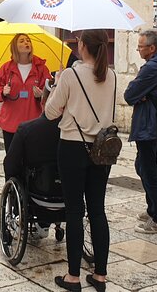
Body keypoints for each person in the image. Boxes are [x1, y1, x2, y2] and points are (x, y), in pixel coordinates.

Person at [45, 29, 115, 292]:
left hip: (73, 146)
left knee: (74, 210)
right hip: (102, 150)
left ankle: (73, 277)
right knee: (97, 210)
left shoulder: (71, 75)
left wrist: (58, 84)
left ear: (82, 46)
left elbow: (51, 113)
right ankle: (100, 276)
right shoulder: (113, 76)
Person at [124, 29, 157, 234]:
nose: (138, 49)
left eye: (140, 46)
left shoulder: (152, 68)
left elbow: (129, 95)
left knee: (149, 171)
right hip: (155, 124)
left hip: (148, 125)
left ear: (152, 48)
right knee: (142, 165)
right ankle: (152, 208)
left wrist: (139, 93)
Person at [3, 80, 60, 239]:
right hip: (66, 194)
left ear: (42, 101)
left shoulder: (26, 129)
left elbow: (10, 164)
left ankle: (18, 213)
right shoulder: (72, 131)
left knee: (14, 170)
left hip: (36, 194)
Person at [0, 34, 51, 152]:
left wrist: (42, 95)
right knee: (12, 161)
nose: (26, 43)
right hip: (11, 123)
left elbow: (50, 89)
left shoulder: (41, 68)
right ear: (15, 46)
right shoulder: (6, 68)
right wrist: (3, 92)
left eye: (28, 41)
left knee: (32, 161)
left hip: (34, 123)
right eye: (22, 41)